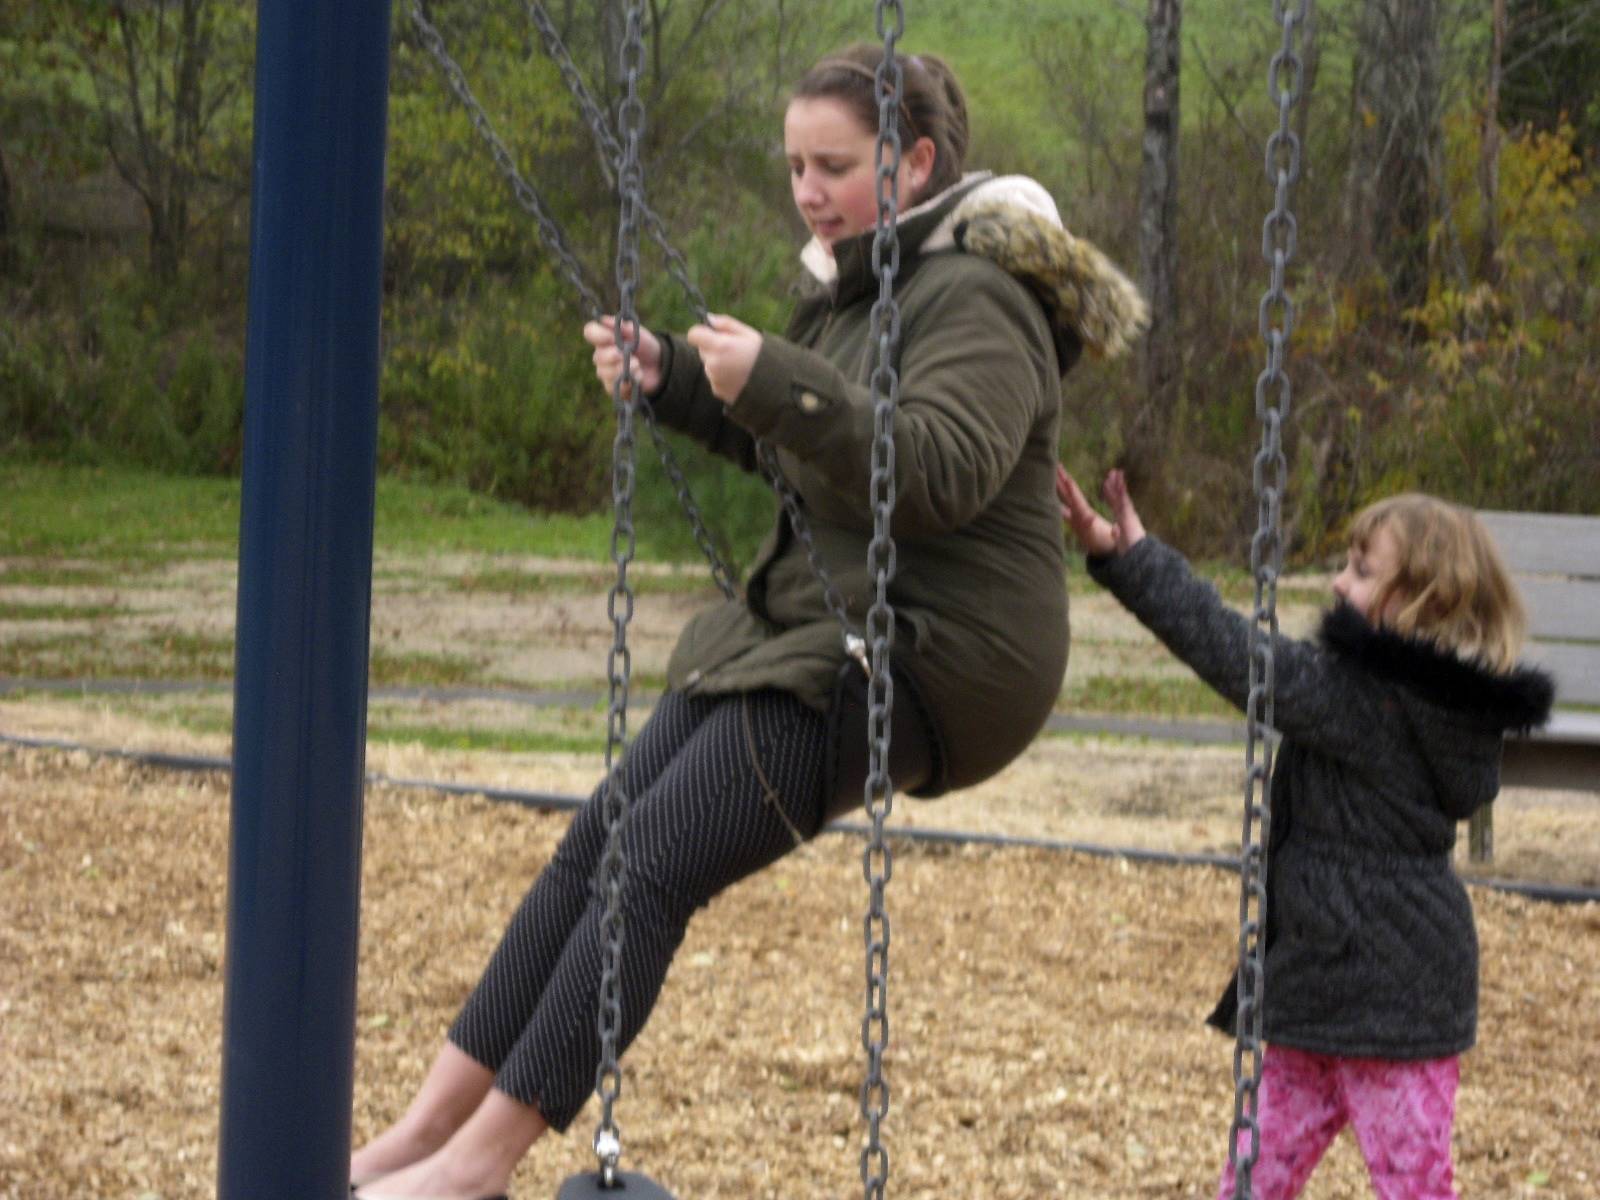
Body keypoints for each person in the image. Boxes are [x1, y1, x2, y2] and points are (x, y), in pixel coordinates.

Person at [350, 44, 1147, 1199]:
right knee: (596, 847)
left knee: (656, 865)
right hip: (816, 624)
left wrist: (772, 376)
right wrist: (677, 376)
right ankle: (416, 1136)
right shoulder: (855, 291)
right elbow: (798, 448)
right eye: (793, 167)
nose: (809, 191)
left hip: (932, 652)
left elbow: (934, 471)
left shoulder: (982, 293)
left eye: (834, 164)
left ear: (914, 161)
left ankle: (475, 1168)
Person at [1056, 468, 1555, 1200]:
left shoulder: (1366, 703)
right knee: (1257, 1177)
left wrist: (1132, 560)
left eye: (1360, 571)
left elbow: (1239, 656)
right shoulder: (1421, 709)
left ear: (1420, 602)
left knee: (1410, 1182)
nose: (1337, 585)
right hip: (1324, 986)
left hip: (1393, 1006)